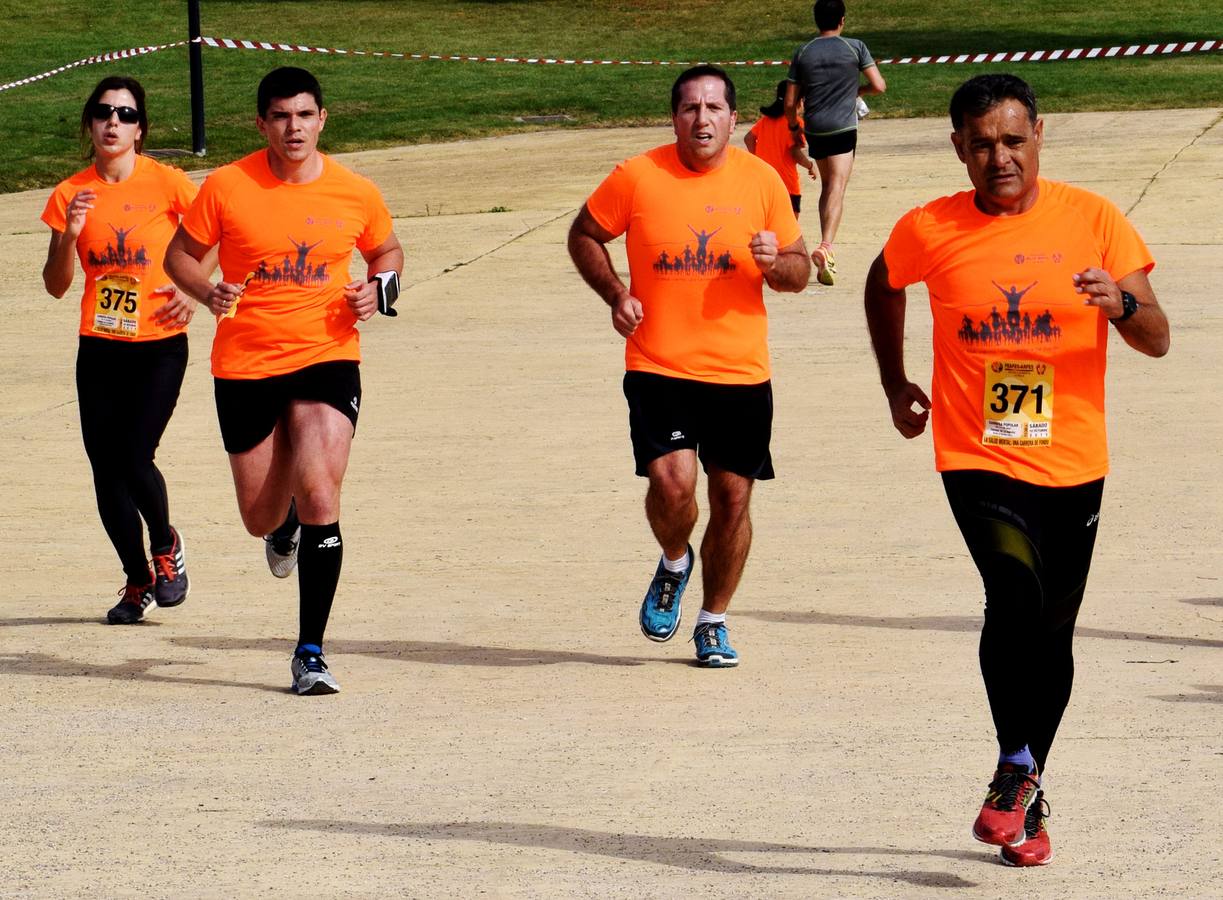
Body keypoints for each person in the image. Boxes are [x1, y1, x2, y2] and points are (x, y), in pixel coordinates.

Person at [863, 73, 1169, 866]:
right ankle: (1012, 770)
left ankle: (1026, 792)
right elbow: (880, 282)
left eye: (1011, 139)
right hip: (976, 452)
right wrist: (895, 379)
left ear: (1039, 135)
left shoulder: (1095, 220)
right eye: (981, 143)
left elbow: (1158, 337)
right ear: (957, 148)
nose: (998, 157)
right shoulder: (928, 226)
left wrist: (1121, 305)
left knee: (1053, 631)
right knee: (1013, 589)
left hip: (1072, 458)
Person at [165, 67, 404, 695]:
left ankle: (310, 652)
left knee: (322, 491)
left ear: (323, 118)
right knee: (259, 513)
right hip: (246, 362)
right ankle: (284, 522)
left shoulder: (355, 191)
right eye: (280, 116)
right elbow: (179, 256)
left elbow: (388, 252)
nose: (293, 127)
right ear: (262, 124)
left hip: (328, 353)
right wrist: (206, 290)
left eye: (304, 115)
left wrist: (377, 291)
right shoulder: (227, 185)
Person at [568, 65, 810, 668]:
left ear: (733, 118)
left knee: (732, 499)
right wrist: (617, 294)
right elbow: (584, 235)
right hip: (659, 363)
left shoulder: (763, 181)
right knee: (674, 487)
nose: (701, 119)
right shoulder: (637, 176)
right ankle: (675, 559)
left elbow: (800, 273)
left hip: (740, 372)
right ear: (674, 117)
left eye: (714, 108)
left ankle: (713, 620)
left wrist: (774, 262)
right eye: (689, 109)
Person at [41, 76, 202, 625]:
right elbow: (57, 284)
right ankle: (137, 578)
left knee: (134, 456)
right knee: (105, 472)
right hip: (100, 346)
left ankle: (165, 544)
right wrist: (69, 234)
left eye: (126, 114)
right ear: (89, 123)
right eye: (104, 112)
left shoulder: (169, 183)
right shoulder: (69, 193)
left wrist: (192, 287)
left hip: (158, 344)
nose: (114, 122)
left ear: (140, 129)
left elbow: (218, 234)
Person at [784, 0, 886, 285]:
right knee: (838, 187)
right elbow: (879, 86)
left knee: (828, 186)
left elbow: (791, 102)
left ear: (817, 20)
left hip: (816, 128)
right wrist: (856, 90)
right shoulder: (855, 47)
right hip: (843, 127)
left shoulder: (803, 51)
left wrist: (794, 127)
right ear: (842, 19)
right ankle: (826, 246)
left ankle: (826, 253)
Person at [746, 80, 817, 218]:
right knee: (789, 227)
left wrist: (758, 160)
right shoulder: (795, 123)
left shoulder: (766, 121)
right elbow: (795, 152)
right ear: (798, 101)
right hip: (787, 184)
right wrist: (810, 165)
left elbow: (748, 138)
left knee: (767, 222)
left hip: (764, 181)